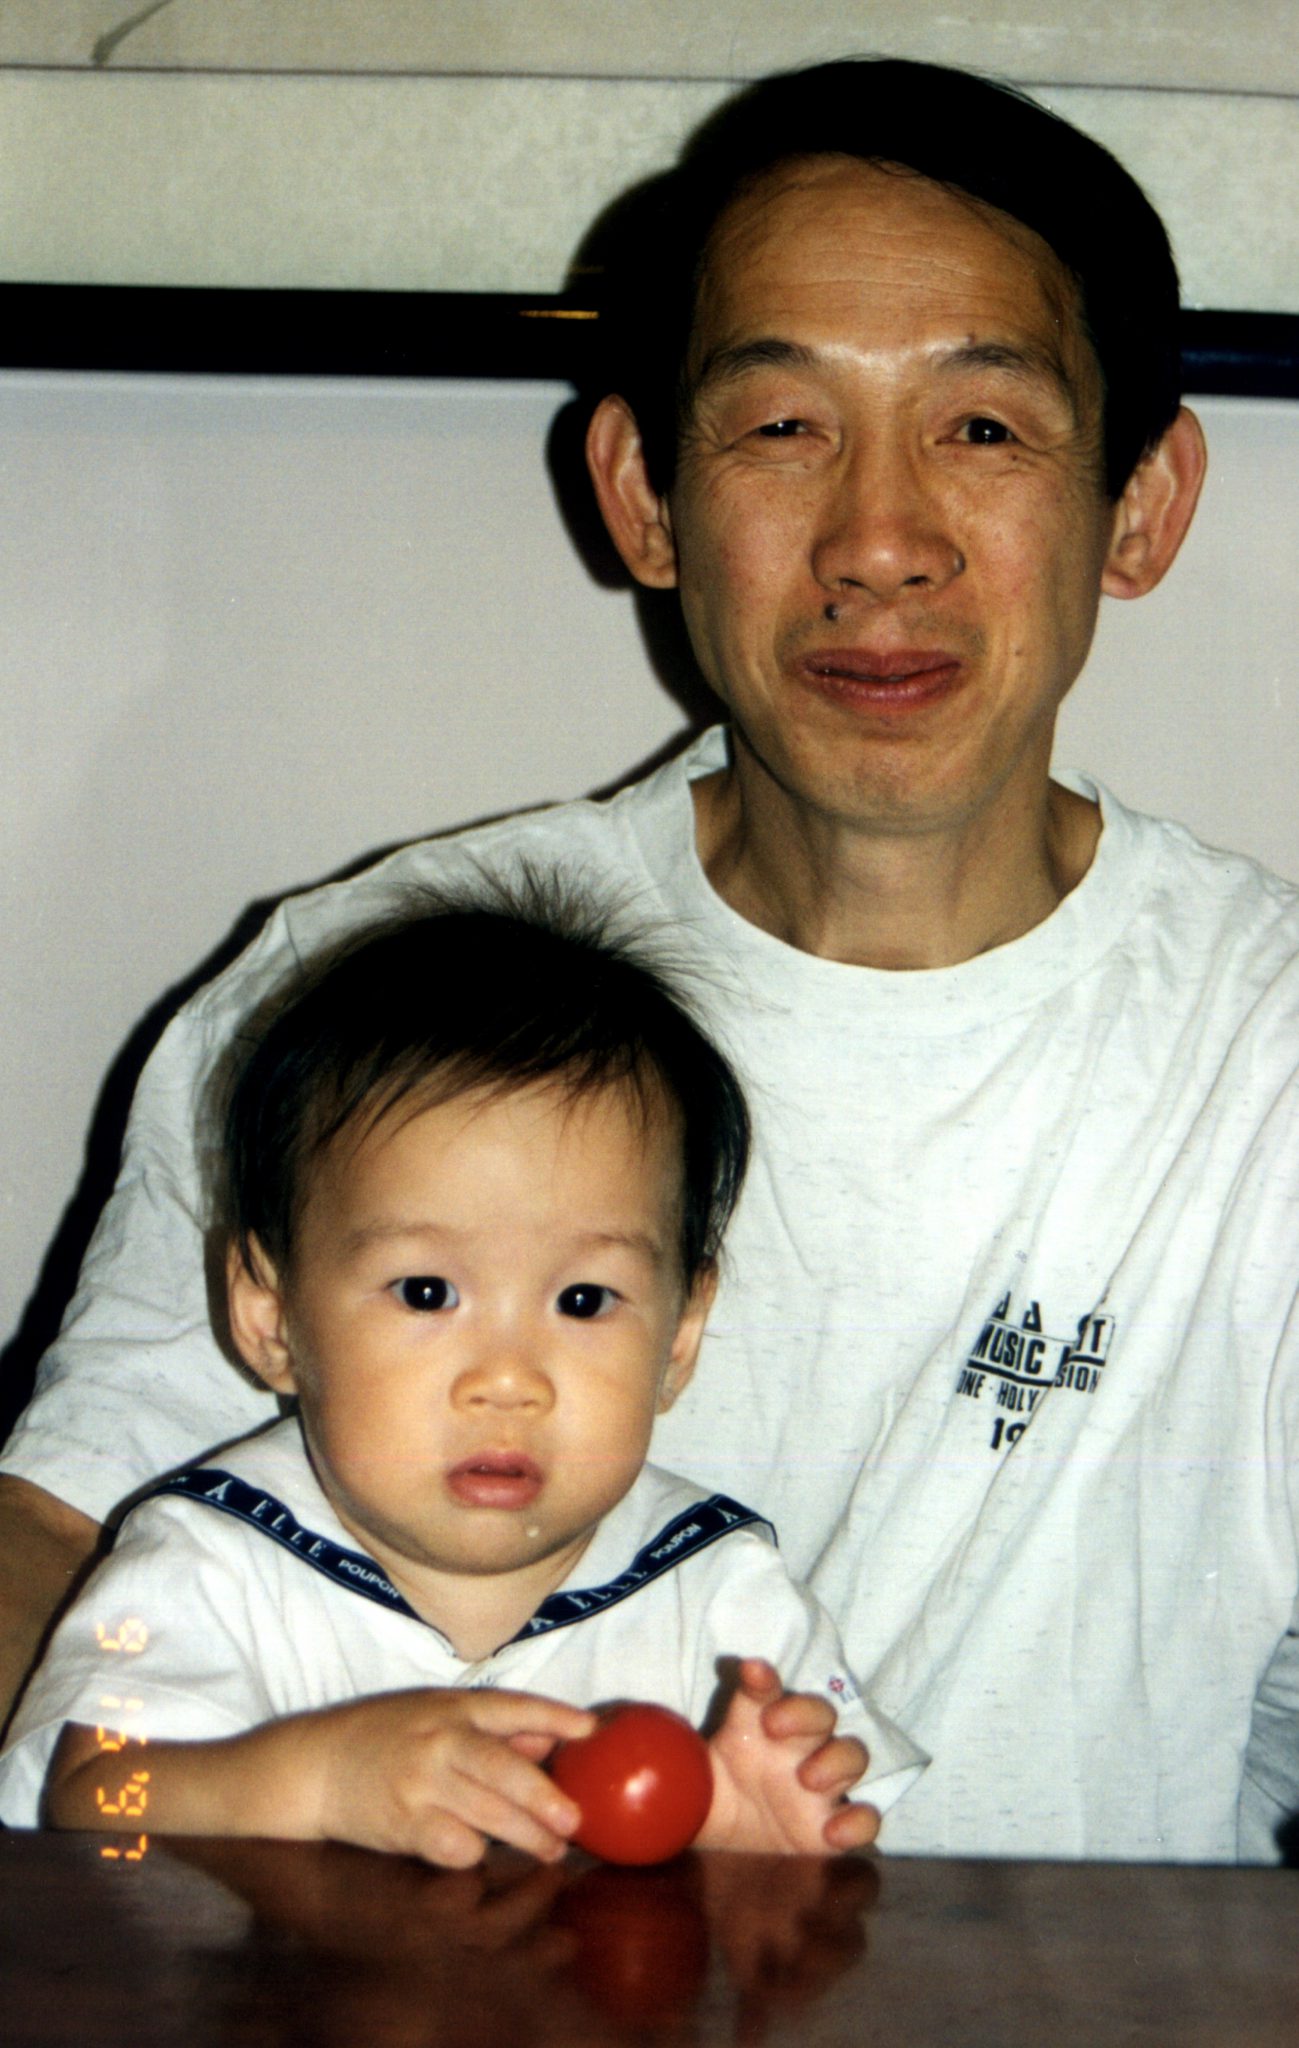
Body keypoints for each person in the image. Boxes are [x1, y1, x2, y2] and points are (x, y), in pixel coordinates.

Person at [1, 56, 1295, 1862]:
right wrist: (165, 1820)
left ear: (1140, 505)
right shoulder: (375, 996)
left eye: (982, 430)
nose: (877, 544)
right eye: (779, 426)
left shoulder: (1261, 1048)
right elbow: (57, 1558)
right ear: (642, 493)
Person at [0, 892, 924, 1857]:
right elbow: (92, 1792)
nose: (508, 1380)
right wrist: (317, 1780)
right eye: (427, 1292)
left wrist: (761, 1846)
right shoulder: (204, 1563)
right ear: (270, 1315)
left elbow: (851, 1866)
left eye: (583, 1301)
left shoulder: (726, 1597)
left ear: (680, 1337)